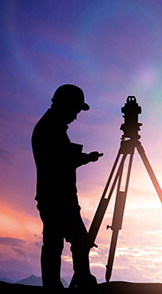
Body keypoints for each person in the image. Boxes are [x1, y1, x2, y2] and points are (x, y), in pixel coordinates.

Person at [32, 84, 103, 288]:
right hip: (57, 199)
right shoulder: (49, 128)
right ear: (65, 104)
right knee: (73, 241)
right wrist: (82, 158)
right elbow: (59, 161)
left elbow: (62, 158)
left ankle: (68, 281)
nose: (75, 115)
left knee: (60, 243)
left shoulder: (52, 126)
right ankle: (73, 281)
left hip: (58, 197)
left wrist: (85, 158)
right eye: (75, 109)